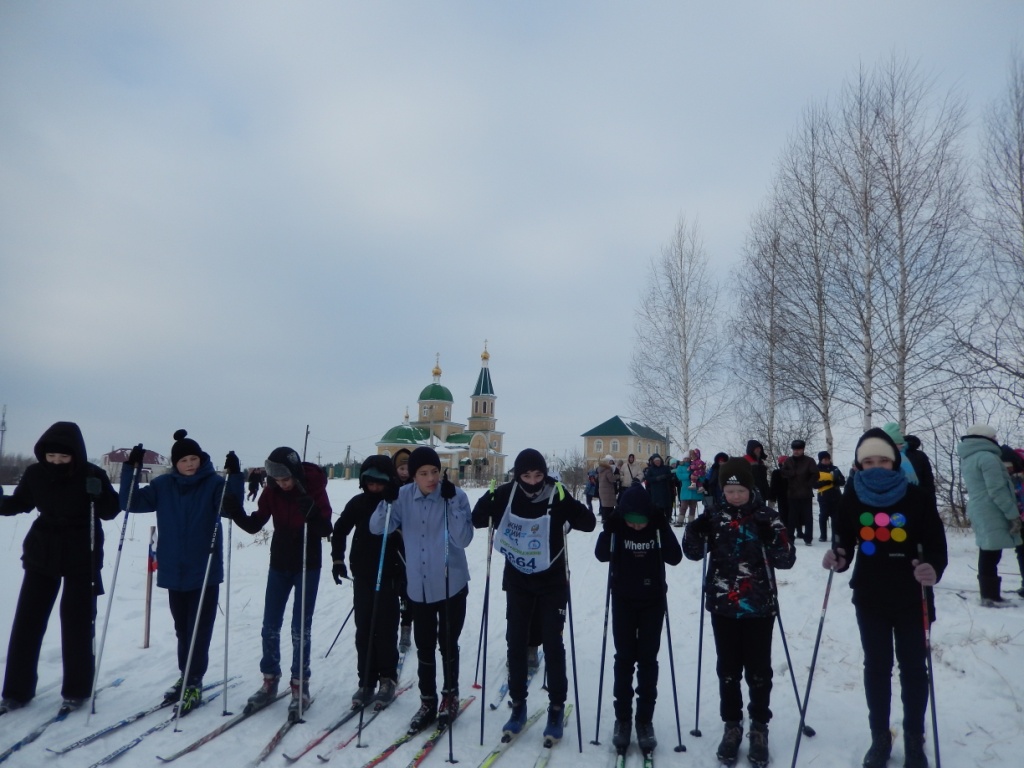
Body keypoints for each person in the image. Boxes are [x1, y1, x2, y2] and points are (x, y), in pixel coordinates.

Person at [822, 427, 947, 768]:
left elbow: (936, 546)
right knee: (876, 667)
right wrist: (839, 556)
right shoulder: (851, 497)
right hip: (871, 596)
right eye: (868, 461)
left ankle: (913, 737)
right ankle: (880, 736)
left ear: (895, 463)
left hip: (912, 596)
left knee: (913, 668)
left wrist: (932, 569)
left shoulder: (916, 497)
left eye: (883, 460)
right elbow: (843, 540)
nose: (876, 466)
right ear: (859, 466)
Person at [472, 449, 595, 744]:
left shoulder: (557, 493)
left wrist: (570, 507)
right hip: (518, 580)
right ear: (518, 474)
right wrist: (487, 500)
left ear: (545, 473)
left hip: (552, 581)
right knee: (516, 642)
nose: (532, 481)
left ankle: (555, 706)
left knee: (553, 644)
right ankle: (518, 705)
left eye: (538, 475)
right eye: (526, 475)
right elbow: (478, 520)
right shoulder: (506, 493)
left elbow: (588, 523)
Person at [120, 430, 244, 715]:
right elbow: (129, 503)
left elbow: (231, 509)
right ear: (175, 463)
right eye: (184, 460)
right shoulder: (163, 485)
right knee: (182, 630)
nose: (189, 464)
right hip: (174, 570)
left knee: (199, 631)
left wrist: (235, 477)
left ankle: (194, 681)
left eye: (194, 458)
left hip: (204, 570)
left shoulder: (213, 484)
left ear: (201, 460)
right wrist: (131, 469)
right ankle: (186, 675)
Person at [0, 422, 120, 714]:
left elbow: (110, 511)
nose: (55, 462)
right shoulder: (35, 473)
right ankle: (16, 691)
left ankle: (77, 690)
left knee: (77, 623)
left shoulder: (93, 474)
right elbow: (20, 504)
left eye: (62, 457)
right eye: (51, 456)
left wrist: (100, 494)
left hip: (82, 553)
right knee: (27, 622)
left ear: (75, 455)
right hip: (43, 552)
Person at [683, 458, 794, 767]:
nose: (734, 496)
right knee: (728, 670)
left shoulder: (766, 517)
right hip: (723, 607)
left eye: (740, 490)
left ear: (750, 489)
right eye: (729, 490)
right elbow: (691, 554)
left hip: (758, 607)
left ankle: (759, 727)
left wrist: (771, 535)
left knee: (759, 671)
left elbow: (786, 559)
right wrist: (695, 529)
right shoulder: (714, 517)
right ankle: (732, 725)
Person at [370, 446, 473, 733]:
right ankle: (427, 701)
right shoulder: (402, 498)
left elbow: (464, 539)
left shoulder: (455, 496)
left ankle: (449, 698)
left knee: (447, 643)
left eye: (435, 472)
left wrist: (452, 504)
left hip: (451, 583)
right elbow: (378, 528)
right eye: (423, 473)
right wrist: (386, 502)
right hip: (419, 585)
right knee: (424, 646)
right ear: (413, 476)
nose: (431, 478)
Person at [224, 447, 332, 718]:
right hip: (280, 562)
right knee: (270, 625)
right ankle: (270, 680)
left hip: (308, 563)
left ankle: (299, 686)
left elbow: (326, 529)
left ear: (294, 473)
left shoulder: (313, 487)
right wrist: (236, 511)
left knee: (299, 628)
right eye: (277, 480)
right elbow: (254, 524)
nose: (283, 485)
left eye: (286, 480)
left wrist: (314, 515)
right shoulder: (272, 490)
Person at [595, 484, 682, 754]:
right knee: (623, 659)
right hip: (622, 599)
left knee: (647, 660)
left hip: (653, 601)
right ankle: (623, 719)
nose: (635, 527)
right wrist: (609, 527)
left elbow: (675, 558)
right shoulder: (618, 526)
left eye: (640, 522)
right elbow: (600, 555)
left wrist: (661, 526)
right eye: (630, 522)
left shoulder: (656, 526)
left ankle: (644, 721)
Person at [331, 455, 405, 710]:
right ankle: (366, 681)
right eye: (370, 483)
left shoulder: (396, 505)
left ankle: (387, 678)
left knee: (385, 627)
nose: (375, 488)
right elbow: (340, 530)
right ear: (363, 482)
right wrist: (337, 560)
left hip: (389, 575)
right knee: (364, 629)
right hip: (363, 575)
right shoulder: (358, 503)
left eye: (380, 483)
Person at [957, 423, 1021, 606]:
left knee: (988, 550)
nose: (997, 441)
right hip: (991, 510)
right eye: (994, 438)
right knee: (991, 553)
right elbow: (997, 489)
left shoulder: (969, 457)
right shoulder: (988, 458)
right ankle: (990, 597)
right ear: (986, 439)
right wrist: (1012, 514)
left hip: (980, 508)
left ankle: (989, 595)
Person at [781, 440, 818, 546]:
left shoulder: (809, 461)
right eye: (794, 450)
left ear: (803, 450)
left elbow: (815, 474)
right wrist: (791, 473)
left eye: (798, 450)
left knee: (808, 517)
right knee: (792, 517)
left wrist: (809, 484)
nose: (796, 452)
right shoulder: (788, 461)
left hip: (805, 493)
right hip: (792, 493)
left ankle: (808, 538)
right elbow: (783, 472)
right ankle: (790, 537)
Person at [815, 451, 846, 542]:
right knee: (823, 517)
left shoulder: (835, 469)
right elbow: (813, 484)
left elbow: (843, 481)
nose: (827, 461)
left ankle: (835, 536)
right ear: (821, 460)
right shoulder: (816, 470)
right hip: (823, 497)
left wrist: (838, 482)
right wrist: (824, 483)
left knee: (836, 518)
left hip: (836, 496)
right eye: (825, 459)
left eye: (828, 459)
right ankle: (823, 535)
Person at [904, 435, 937, 503]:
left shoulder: (898, 455)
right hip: (920, 494)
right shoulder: (921, 455)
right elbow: (928, 478)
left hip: (901, 494)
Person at [674, 450, 704, 526]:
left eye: (688, 458)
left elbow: (702, 476)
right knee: (683, 507)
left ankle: (691, 521)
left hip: (694, 489)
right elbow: (679, 476)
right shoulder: (680, 467)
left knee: (693, 507)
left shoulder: (695, 465)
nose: (686, 459)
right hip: (685, 489)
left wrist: (699, 476)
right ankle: (680, 521)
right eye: (685, 458)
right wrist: (689, 476)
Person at [642, 454, 673, 520]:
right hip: (655, 491)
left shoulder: (665, 468)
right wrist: (656, 478)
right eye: (656, 461)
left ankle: (668, 517)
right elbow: (647, 478)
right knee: (657, 506)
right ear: (653, 462)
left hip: (665, 489)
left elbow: (670, 475)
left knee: (667, 505)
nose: (657, 462)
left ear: (661, 461)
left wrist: (665, 476)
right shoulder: (651, 469)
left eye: (658, 461)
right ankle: (659, 518)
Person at [767, 456, 789, 532]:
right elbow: (773, 485)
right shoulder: (777, 472)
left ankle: (797, 531)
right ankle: (785, 529)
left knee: (794, 514)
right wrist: (772, 497)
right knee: (783, 514)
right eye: (785, 462)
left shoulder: (793, 472)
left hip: (792, 495)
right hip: (781, 496)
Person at [598, 454, 619, 524]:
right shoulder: (608, 470)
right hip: (607, 490)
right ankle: (608, 519)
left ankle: (604, 518)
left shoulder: (601, 470)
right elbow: (611, 479)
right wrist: (617, 476)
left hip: (602, 490)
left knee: (604, 505)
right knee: (609, 506)